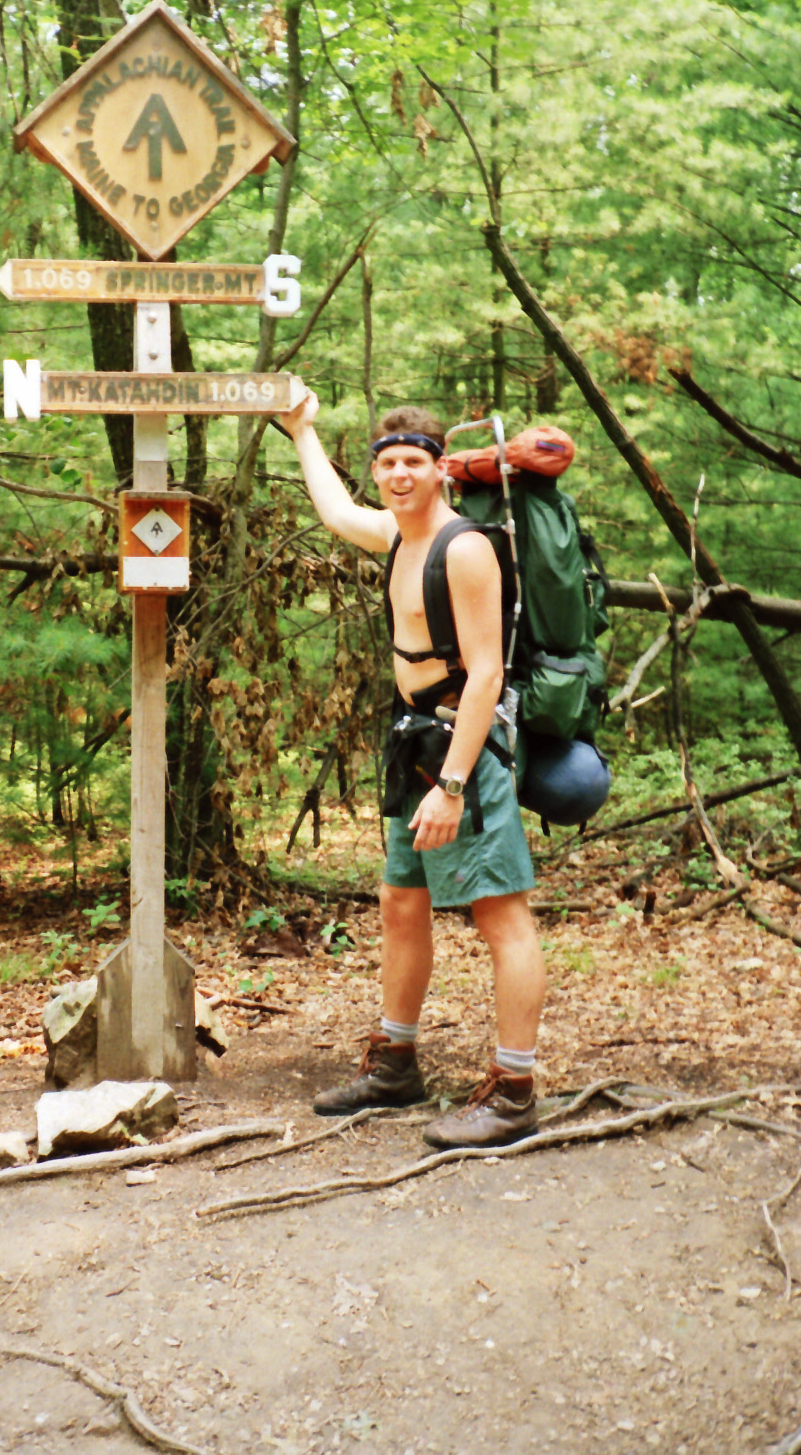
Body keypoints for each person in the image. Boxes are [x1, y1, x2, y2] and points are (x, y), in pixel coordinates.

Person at [278, 392, 546, 1148]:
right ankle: (397, 1064)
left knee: (500, 916)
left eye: (412, 464)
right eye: (387, 463)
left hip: (468, 750)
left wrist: (457, 786)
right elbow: (335, 512)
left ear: (440, 473)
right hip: (416, 746)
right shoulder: (398, 535)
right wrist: (303, 431)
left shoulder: (463, 548)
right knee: (402, 902)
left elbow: (488, 674)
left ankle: (516, 1090)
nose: (398, 475)